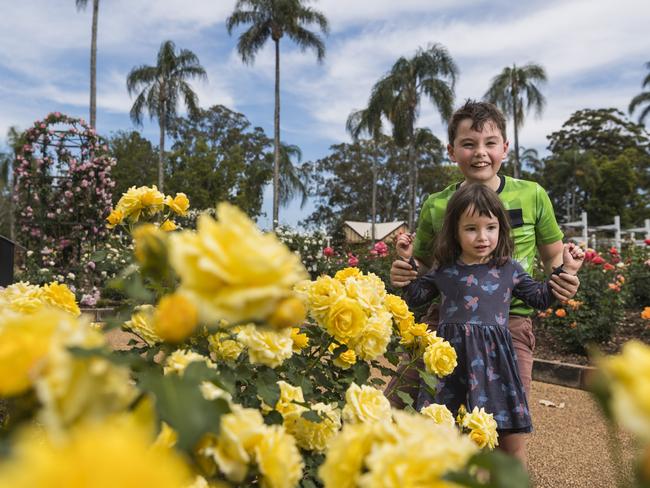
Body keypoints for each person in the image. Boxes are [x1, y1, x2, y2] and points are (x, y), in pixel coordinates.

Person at [388, 100, 580, 461]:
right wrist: (405, 269)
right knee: (404, 408)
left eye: (490, 143)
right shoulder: (437, 204)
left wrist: (564, 275)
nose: (480, 153)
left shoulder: (532, 194)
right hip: (443, 322)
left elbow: (553, 254)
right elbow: (425, 265)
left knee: (505, 433)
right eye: (468, 144)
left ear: (505, 147)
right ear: (452, 151)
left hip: (510, 326)